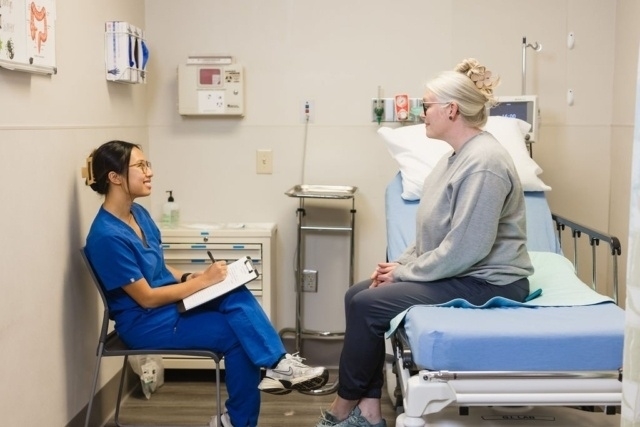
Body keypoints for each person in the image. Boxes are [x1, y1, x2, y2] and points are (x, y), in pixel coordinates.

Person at [316, 59, 534, 427]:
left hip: (491, 281)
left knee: (369, 305)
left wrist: (404, 274)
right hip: (465, 271)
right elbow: (430, 232)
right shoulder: (454, 159)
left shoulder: (484, 163)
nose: (422, 113)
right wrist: (395, 267)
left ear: (452, 110)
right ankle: (368, 412)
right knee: (357, 295)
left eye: (427, 105)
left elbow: (468, 248)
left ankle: (342, 409)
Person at [82, 140, 328, 427]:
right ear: (114, 177)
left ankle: (275, 368)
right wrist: (204, 283)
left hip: (168, 308)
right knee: (238, 333)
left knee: (232, 290)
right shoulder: (107, 236)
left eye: (147, 164)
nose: (149, 172)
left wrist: (192, 277)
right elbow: (146, 297)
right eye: (140, 166)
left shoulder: (138, 214)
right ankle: (253, 399)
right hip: (145, 322)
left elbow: (157, 268)